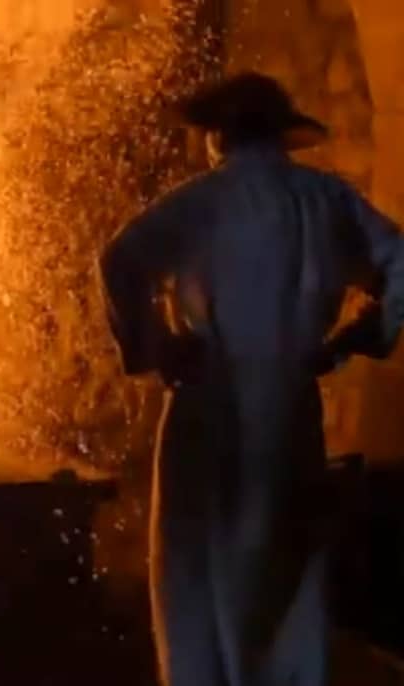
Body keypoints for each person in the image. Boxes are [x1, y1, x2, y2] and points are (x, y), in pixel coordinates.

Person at [99, 71, 404, 686]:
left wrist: (157, 346)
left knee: (198, 583)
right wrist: (360, 336)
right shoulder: (327, 200)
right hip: (290, 410)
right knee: (285, 573)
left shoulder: (201, 202)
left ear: (218, 137)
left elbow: (120, 260)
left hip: (208, 407)